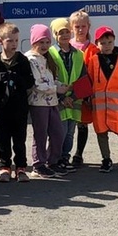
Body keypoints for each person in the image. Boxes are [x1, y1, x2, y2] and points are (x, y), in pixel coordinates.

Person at [83, 26, 118, 174]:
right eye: (103, 43)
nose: (107, 46)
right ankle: (106, 160)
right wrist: (86, 98)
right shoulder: (94, 61)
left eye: (109, 42)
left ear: (114, 41)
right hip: (100, 107)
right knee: (101, 134)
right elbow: (89, 81)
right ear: (97, 44)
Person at [0, 22, 33, 182]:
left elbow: (30, 82)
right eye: (10, 41)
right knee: (3, 139)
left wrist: (17, 79)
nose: (14, 44)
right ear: (0, 41)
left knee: (19, 139)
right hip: (2, 108)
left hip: (19, 108)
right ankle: (5, 166)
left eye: (16, 40)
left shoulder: (22, 60)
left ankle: (21, 167)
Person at [26, 24, 67, 178]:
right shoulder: (30, 59)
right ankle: (38, 164)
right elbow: (37, 84)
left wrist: (60, 86)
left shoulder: (47, 58)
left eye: (47, 42)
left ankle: (52, 161)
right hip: (38, 103)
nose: (44, 46)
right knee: (41, 134)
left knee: (57, 132)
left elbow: (51, 79)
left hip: (52, 102)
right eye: (40, 42)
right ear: (33, 42)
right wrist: (56, 89)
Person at [47, 18, 84, 171]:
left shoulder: (79, 54)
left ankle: (65, 158)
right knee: (58, 132)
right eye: (60, 32)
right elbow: (49, 77)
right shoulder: (50, 53)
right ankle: (54, 159)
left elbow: (83, 78)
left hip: (74, 100)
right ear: (55, 35)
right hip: (58, 99)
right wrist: (62, 97)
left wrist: (73, 97)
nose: (64, 35)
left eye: (67, 31)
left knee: (70, 132)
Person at [67, 10, 96, 166]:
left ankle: (78, 153)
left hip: (85, 92)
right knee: (67, 122)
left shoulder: (93, 50)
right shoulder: (67, 45)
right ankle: (64, 153)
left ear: (88, 27)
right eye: (77, 26)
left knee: (82, 123)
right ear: (71, 27)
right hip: (68, 90)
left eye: (83, 26)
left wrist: (89, 94)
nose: (80, 30)